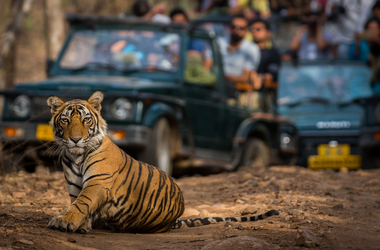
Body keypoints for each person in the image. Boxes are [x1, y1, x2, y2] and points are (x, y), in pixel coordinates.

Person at [218, 15, 261, 108]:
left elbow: (245, 78)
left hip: (235, 92)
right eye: (234, 27)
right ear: (229, 28)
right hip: (214, 87)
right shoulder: (219, 42)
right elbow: (207, 65)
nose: (237, 30)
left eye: (241, 28)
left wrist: (222, 76)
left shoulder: (251, 49)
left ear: (246, 31)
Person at [251, 19, 281, 113]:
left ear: (268, 33)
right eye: (252, 29)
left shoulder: (273, 53)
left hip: (263, 95)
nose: (254, 32)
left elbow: (273, 75)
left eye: (258, 29)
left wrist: (261, 78)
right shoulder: (246, 51)